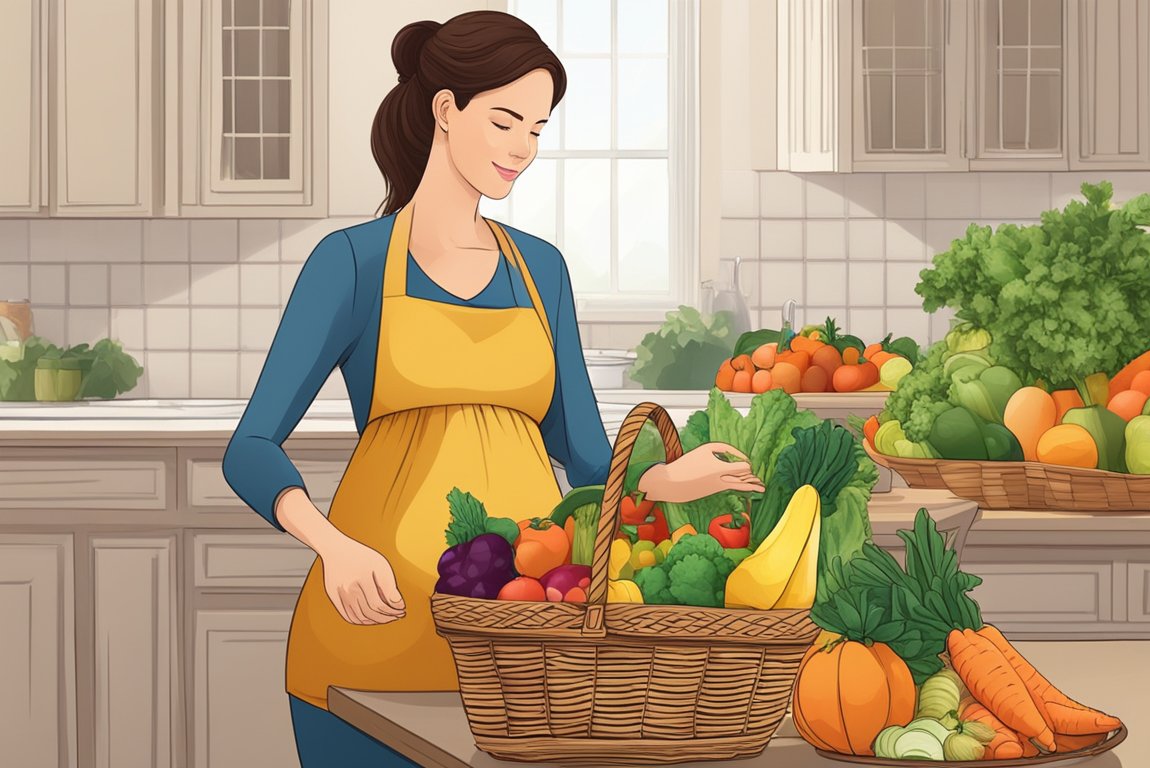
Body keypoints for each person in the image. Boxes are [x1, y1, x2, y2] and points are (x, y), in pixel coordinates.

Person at [222, 11, 763, 766]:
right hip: (374, 632)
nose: (523, 149)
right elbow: (249, 447)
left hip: (530, 650)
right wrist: (332, 548)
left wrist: (664, 477)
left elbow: (580, 451)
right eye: (506, 120)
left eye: (538, 129)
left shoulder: (540, 271)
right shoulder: (351, 263)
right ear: (446, 109)